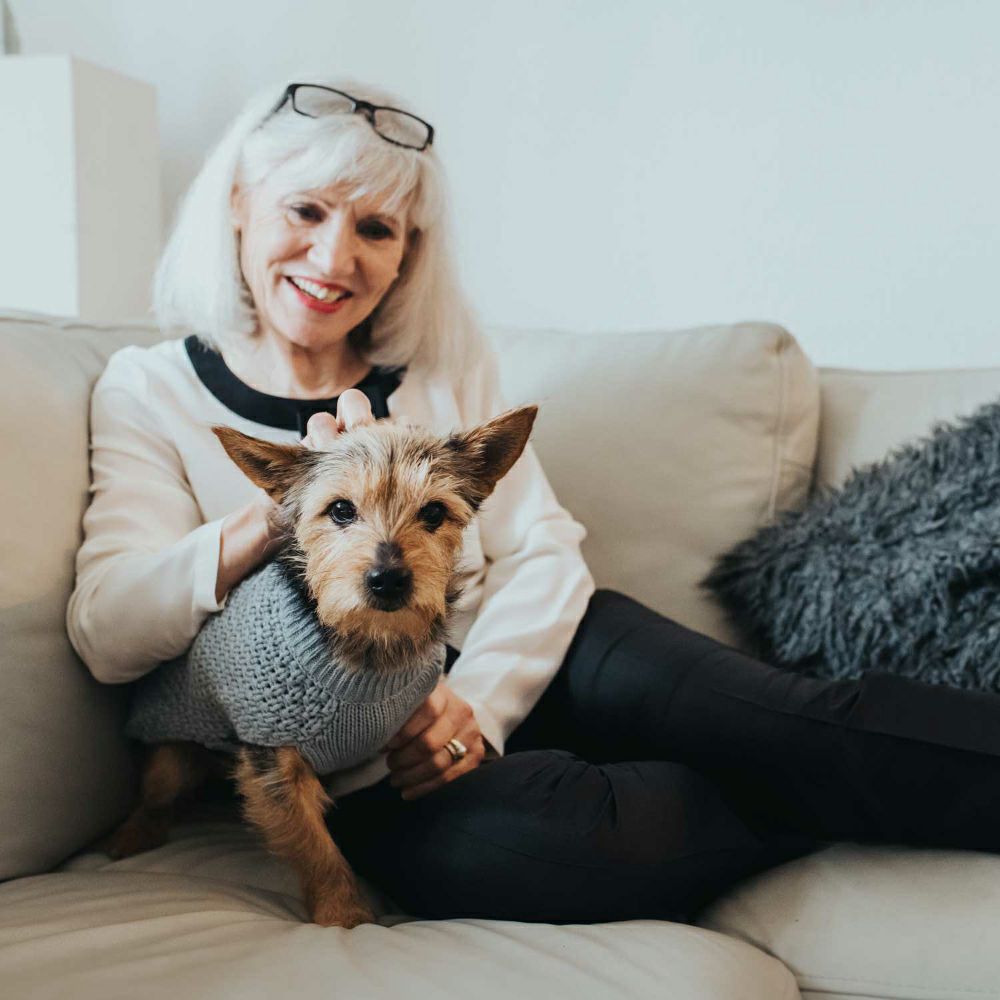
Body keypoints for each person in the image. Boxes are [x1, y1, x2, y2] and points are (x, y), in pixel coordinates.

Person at [68, 77, 1000, 926]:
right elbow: (109, 629)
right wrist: (275, 514)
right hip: (367, 758)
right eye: (304, 210)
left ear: (408, 253)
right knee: (544, 852)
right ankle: (844, 793)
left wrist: (478, 704)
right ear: (237, 204)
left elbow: (543, 551)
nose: (333, 255)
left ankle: (834, 771)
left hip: (546, 652)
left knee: (792, 722)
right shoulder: (151, 389)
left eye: (376, 230)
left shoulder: (441, 369)